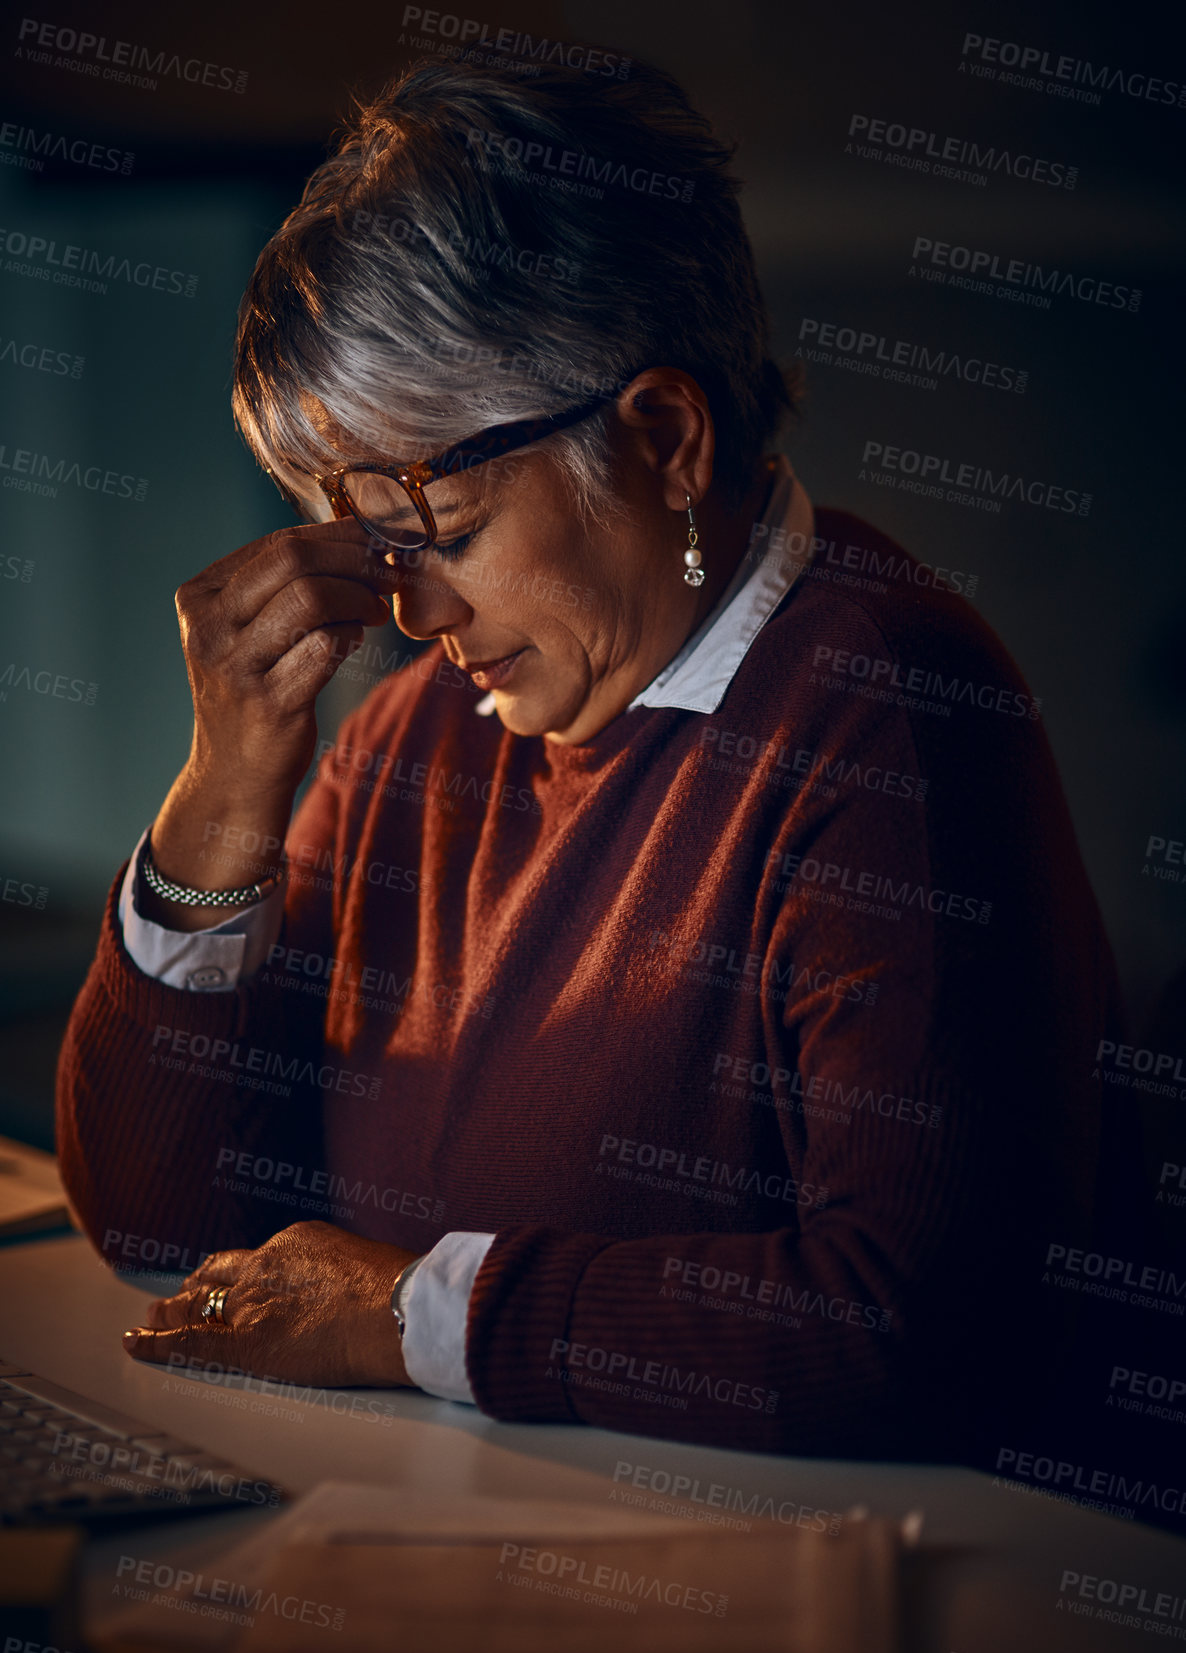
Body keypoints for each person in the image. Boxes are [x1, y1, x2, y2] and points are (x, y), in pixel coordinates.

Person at [55, 53, 1137, 1465]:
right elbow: (159, 1220)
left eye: (436, 534)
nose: (408, 610)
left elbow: (919, 1324)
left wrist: (410, 1314)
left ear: (666, 441)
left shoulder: (885, 705)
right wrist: (225, 797)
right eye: (372, 545)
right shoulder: (412, 735)